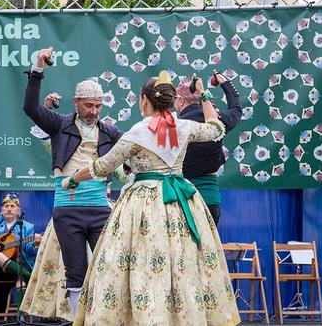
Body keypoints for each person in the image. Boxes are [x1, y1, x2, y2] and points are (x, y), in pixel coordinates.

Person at [62, 71, 240, 325]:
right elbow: (216, 128)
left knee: (139, 263)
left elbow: (100, 167)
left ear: (144, 100)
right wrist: (204, 94)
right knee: (182, 263)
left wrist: (71, 179)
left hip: (143, 206)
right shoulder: (185, 127)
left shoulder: (137, 132)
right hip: (180, 200)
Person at [22, 47, 123, 315]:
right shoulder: (59, 124)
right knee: (76, 272)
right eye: (89, 105)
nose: (94, 111)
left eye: (99, 106)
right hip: (68, 210)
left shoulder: (110, 131)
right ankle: (80, 321)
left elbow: (131, 155)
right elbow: (30, 108)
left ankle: (104, 320)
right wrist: (38, 69)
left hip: (100, 208)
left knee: (108, 269)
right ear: (76, 101)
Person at [174, 72, 242, 224]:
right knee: (209, 248)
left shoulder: (176, 127)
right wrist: (225, 83)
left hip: (183, 199)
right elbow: (236, 109)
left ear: (180, 100)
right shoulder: (218, 122)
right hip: (210, 200)